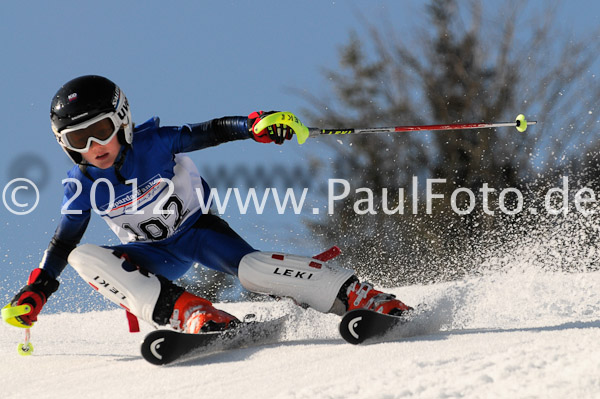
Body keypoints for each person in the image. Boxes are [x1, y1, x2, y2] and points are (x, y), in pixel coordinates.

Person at [8, 75, 411, 334]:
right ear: (65, 146)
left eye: (100, 131)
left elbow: (209, 131)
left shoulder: (154, 144)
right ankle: (191, 313)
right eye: (79, 140)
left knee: (253, 270)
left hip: (199, 234)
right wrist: (38, 289)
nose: (94, 147)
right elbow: (61, 244)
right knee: (83, 257)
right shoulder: (80, 184)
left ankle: (355, 295)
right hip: (152, 255)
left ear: (123, 121)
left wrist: (255, 125)